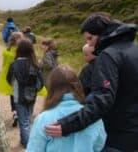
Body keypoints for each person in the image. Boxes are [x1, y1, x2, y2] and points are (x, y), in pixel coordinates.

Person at [45, 13, 138, 151]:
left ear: (102, 33)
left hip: (117, 138)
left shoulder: (108, 56)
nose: (89, 43)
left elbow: (102, 99)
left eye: (90, 38)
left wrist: (68, 125)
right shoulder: (134, 49)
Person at [27, 65, 106, 152]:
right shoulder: (92, 117)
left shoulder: (42, 119)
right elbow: (99, 145)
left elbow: (34, 149)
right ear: (78, 86)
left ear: (51, 88)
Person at [6, 39, 44, 148]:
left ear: (19, 50)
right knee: (28, 119)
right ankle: (28, 142)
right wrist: (35, 90)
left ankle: (27, 144)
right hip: (32, 96)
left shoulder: (14, 65)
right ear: (31, 50)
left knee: (24, 122)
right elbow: (41, 83)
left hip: (18, 97)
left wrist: (15, 85)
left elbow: (9, 80)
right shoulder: (35, 64)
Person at [0, 32, 24, 127]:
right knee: (21, 94)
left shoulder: (6, 51)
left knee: (12, 95)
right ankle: (22, 112)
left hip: (10, 76)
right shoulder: (22, 51)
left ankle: (15, 113)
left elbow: (4, 64)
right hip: (21, 75)